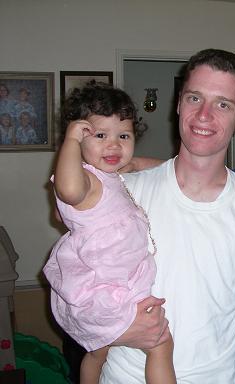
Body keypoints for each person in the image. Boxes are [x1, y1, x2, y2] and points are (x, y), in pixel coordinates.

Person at [100, 49, 235, 383]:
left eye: (223, 104)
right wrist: (115, 330)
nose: (204, 115)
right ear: (178, 103)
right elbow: (75, 289)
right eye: (195, 98)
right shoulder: (122, 193)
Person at [43, 82, 176, 384]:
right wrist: (71, 142)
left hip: (113, 280)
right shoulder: (85, 182)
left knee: (97, 354)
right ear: (80, 140)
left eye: (123, 136)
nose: (114, 145)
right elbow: (67, 188)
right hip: (107, 288)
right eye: (100, 135)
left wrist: (182, 169)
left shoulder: (112, 174)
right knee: (161, 342)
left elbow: (152, 166)